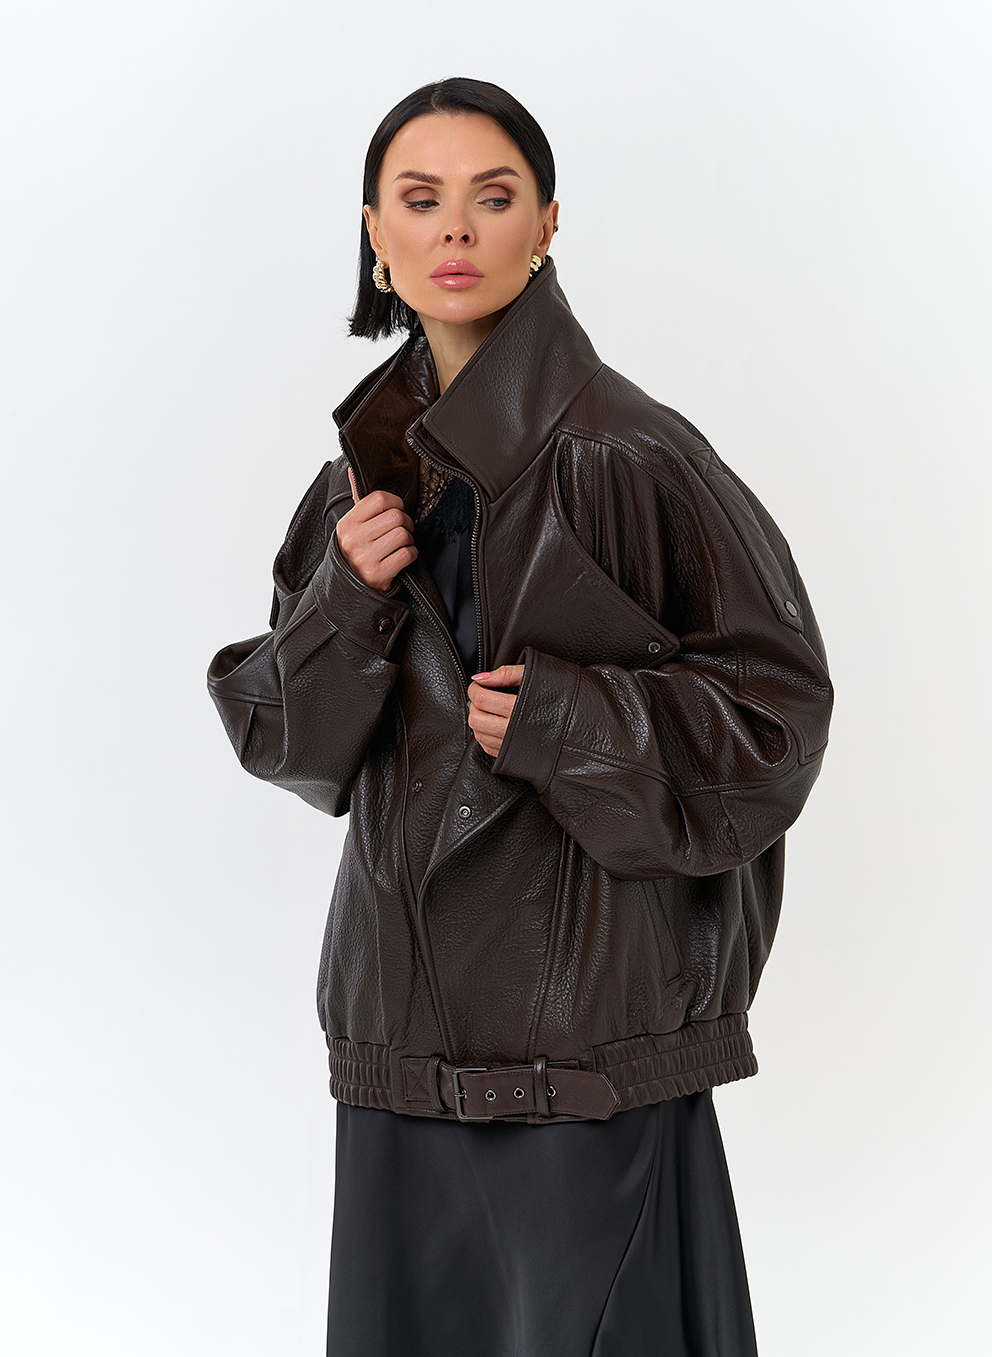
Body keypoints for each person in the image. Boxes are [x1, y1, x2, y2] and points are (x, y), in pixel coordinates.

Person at [207, 77, 833, 1357]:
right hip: (398, 1043)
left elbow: (777, 720)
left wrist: (570, 723)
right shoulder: (360, 481)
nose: (454, 229)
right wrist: (343, 604)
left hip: (587, 1054)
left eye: (491, 198)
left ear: (545, 224)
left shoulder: (629, 454)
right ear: (375, 235)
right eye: (418, 199)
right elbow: (289, 746)